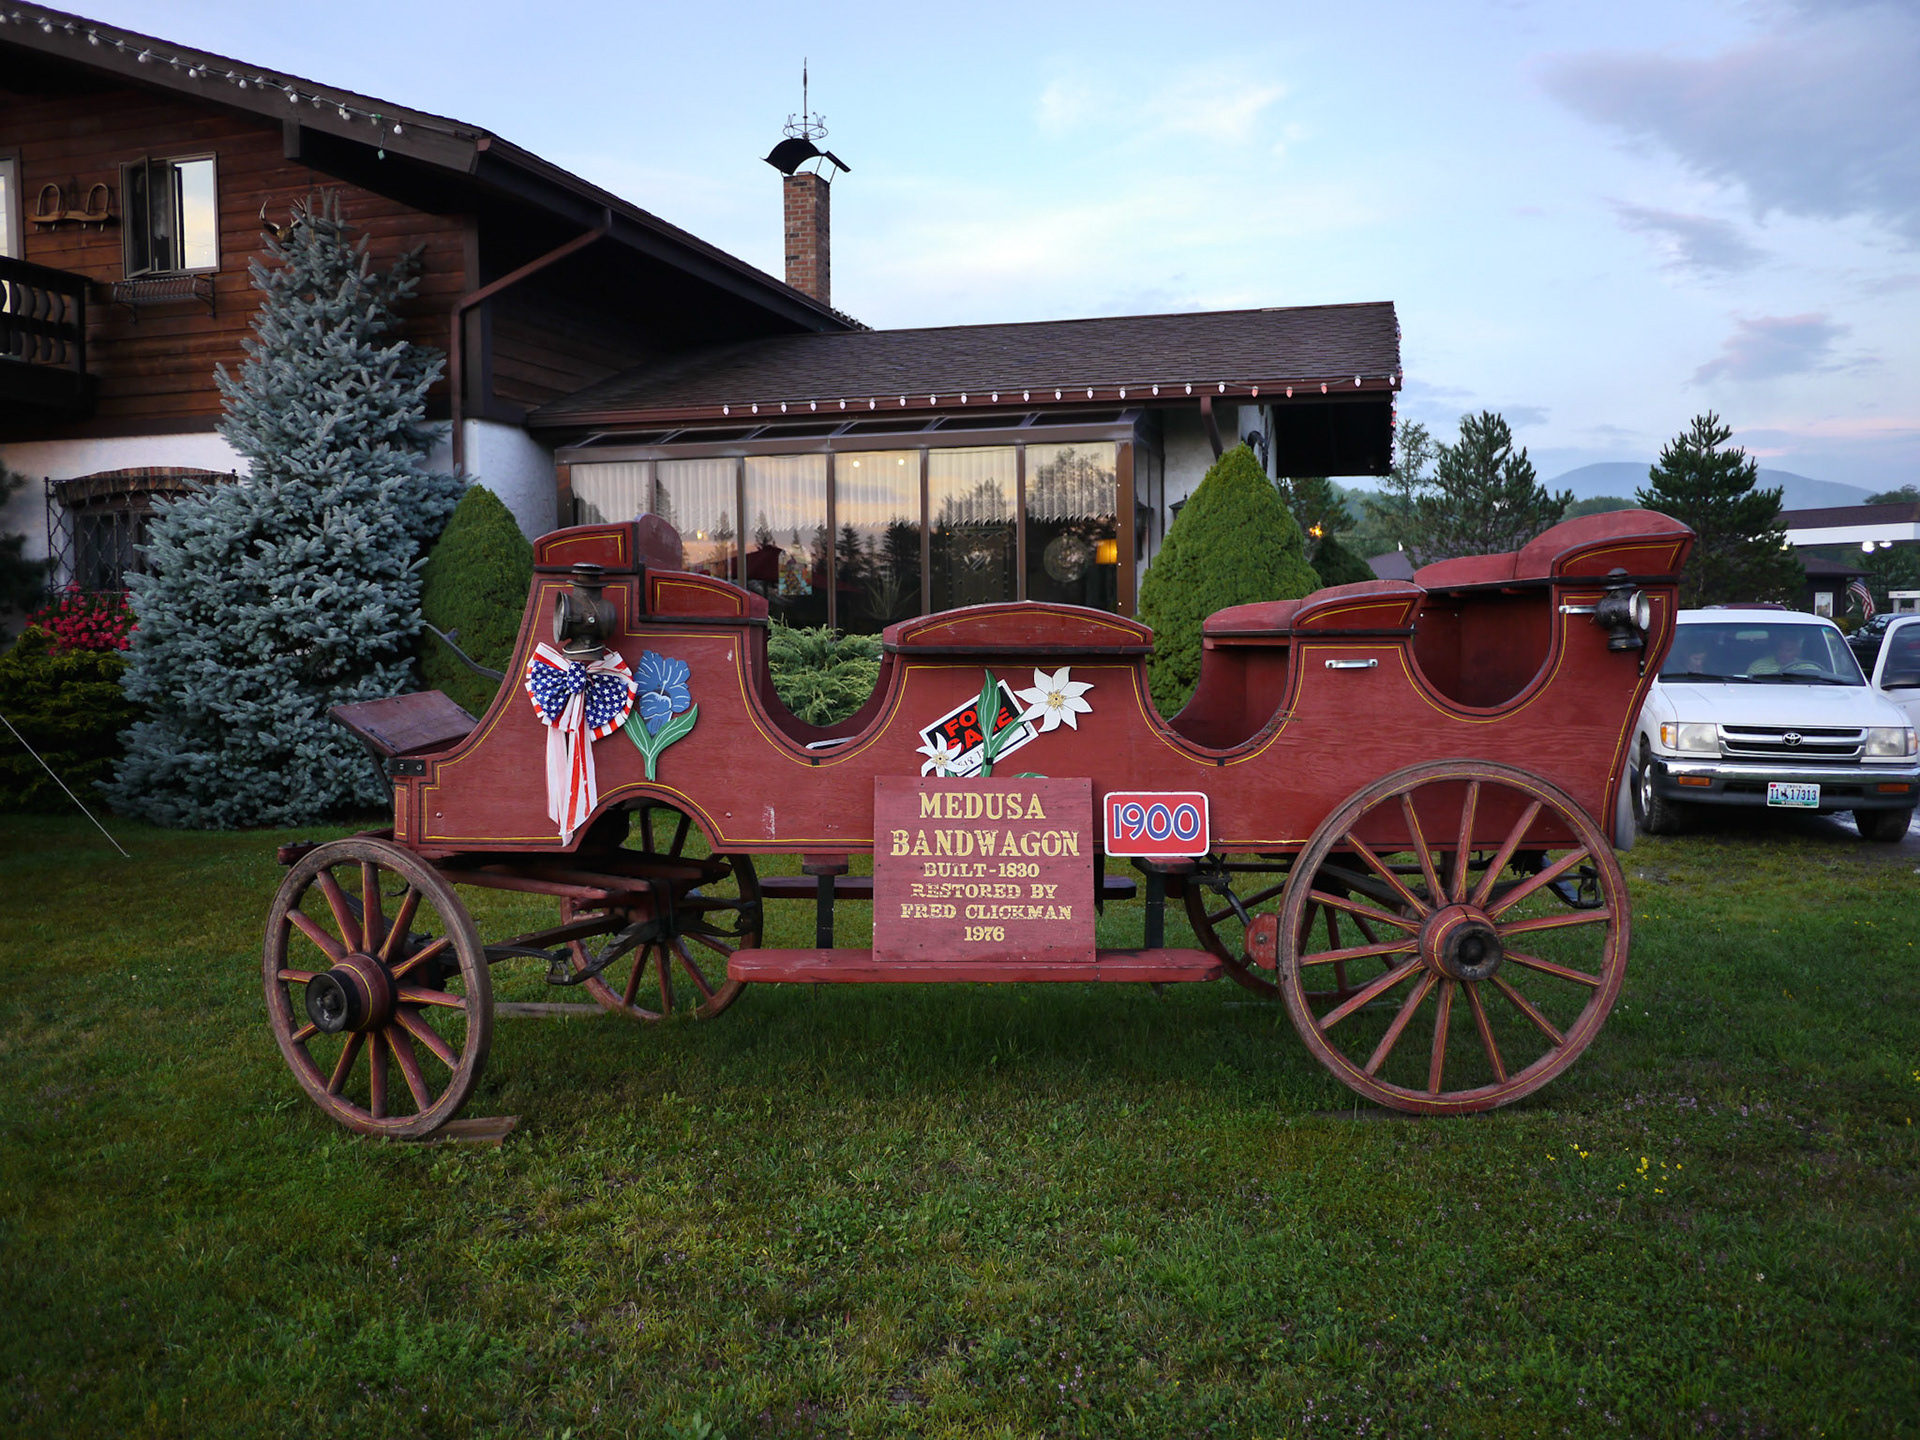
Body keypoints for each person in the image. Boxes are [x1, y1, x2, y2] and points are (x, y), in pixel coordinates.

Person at [1747, 630, 1816, 676]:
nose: (1783, 653)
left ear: (1798, 651)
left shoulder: (1808, 668)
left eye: (1788, 650)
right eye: (1780, 649)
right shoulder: (1758, 667)